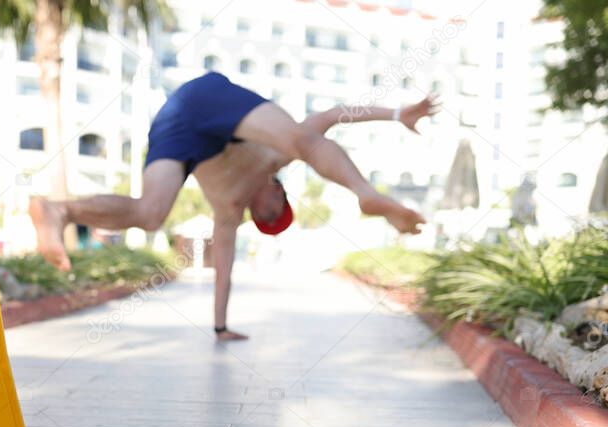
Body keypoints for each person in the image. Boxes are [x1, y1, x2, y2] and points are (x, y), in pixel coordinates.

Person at [29, 72, 438, 341]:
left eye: (263, 221)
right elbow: (331, 115)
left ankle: (60, 210)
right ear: (278, 193)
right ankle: (363, 192)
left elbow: (223, 270)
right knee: (301, 138)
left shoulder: (229, 208)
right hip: (203, 101)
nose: (261, 214)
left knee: (149, 213)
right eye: (272, 213)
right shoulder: (274, 159)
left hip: (181, 133)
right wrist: (397, 113)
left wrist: (220, 327)